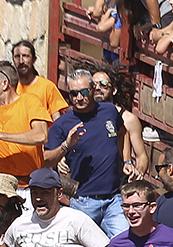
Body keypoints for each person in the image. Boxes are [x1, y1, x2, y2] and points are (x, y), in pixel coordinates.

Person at [44, 66, 139, 238]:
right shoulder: (61, 125)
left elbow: (123, 133)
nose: (79, 98)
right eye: (73, 94)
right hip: (83, 202)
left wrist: (127, 161)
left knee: (124, 245)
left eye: (84, 91)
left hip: (114, 199)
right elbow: (46, 160)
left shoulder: (109, 111)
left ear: (93, 89)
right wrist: (66, 145)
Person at [10, 41, 69, 119]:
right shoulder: (9, 87)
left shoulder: (47, 86)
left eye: (25, 56)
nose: (21, 61)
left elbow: (57, 118)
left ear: (34, 59)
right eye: (17, 56)